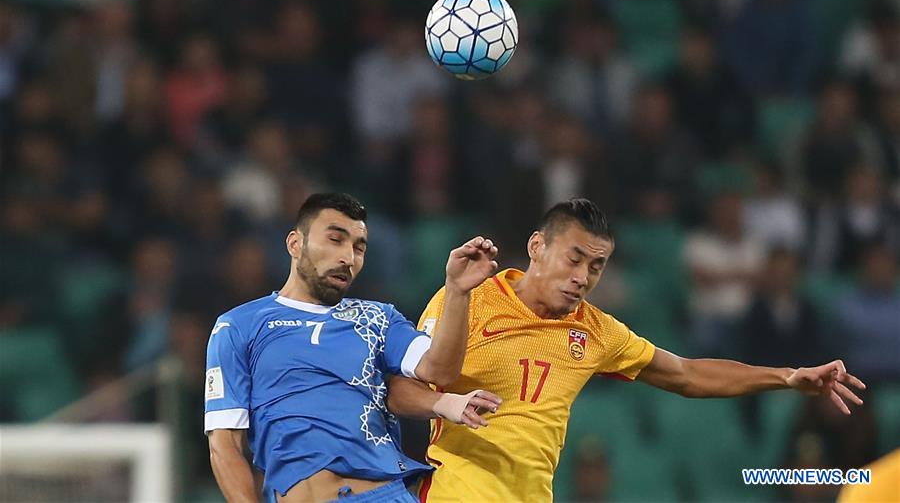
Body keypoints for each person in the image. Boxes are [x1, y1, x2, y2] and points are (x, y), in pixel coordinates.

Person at [388, 198, 867, 502]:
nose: (583, 277)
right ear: (537, 247)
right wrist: (446, 403)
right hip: (455, 491)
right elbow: (403, 392)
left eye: (596, 266)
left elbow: (687, 374)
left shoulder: (597, 331)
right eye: (574, 258)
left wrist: (786, 377)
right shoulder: (469, 296)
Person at [204, 192, 502, 502]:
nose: (348, 258)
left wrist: (457, 291)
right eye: (335, 240)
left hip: (384, 495)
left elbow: (439, 370)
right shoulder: (239, 326)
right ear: (295, 244)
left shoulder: (379, 318)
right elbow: (224, 446)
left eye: (359, 248)